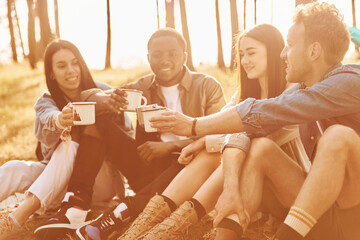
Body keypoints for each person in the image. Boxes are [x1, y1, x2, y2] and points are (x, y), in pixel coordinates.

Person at [151, 2, 360, 240]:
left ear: (314, 51)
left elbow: (269, 111)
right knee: (260, 148)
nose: (282, 54)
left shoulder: (351, 82)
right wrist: (213, 152)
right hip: (322, 212)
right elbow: (252, 124)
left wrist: (193, 125)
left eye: (289, 46)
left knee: (338, 137)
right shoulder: (304, 89)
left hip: (355, 215)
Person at [118, 23, 311, 240]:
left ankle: (166, 232)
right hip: (253, 183)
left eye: (251, 53)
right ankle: (146, 232)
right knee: (212, 153)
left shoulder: (292, 89)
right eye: (241, 54)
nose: (245, 60)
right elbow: (225, 125)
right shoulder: (244, 91)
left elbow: (253, 133)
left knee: (234, 149)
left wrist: (204, 140)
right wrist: (205, 143)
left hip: (290, 187)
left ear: (274, 51)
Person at [34, 27, 226, 240]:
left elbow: (219, 135)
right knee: (99, 121)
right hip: (146, 165)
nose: (165, 60)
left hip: (187, 170)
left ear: (184, 57)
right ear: (149, 58)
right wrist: (106, 100)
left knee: (190, 161)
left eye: (172, 53)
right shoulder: (142, 87)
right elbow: (87, 95)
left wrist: (171, 146)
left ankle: (119, 213)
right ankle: (77, 205)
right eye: (157, 54)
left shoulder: (207, 86)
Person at [0, 39, 131, 239]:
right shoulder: (46, 101)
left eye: (74, 63)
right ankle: (46, 204)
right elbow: (46, 122)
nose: (71, 70)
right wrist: (61, 119)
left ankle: (18, 216)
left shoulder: (103, 90)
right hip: (57, 185)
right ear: (51, 72)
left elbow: (127, 135)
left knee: (71, 141)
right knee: (13, 169)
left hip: (97, 183)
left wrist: (112, 110)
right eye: (62, 66)